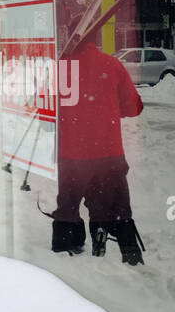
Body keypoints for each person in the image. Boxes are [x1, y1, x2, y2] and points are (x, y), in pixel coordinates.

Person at [50, 22, 146, 264]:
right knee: (117, 204)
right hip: (109, 153)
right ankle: (129, 252)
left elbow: (46, 108)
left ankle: (65, 250)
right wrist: (107, 110)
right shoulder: (112, 65)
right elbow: (134, 107)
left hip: (73, 155)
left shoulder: (61, 68)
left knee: (68, 205)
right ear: (95, 38)